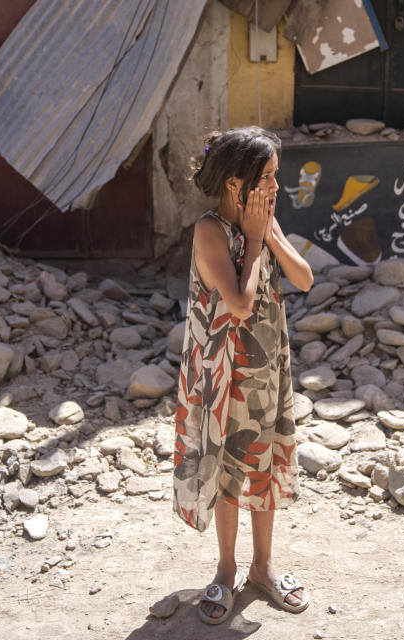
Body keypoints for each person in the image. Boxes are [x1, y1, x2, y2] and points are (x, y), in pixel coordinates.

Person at [172, 126, 314, 624]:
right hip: (222, 371)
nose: (277, 186)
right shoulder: (210, 231)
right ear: (237, 184)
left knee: (265, 459)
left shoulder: (265, 222)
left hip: (266, 364)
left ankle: (264, 568)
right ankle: (226, 570)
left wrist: (269, 234)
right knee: (229, 467)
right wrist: (255, 242)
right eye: (269, 177)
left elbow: (304, 277)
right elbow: (238, 301)